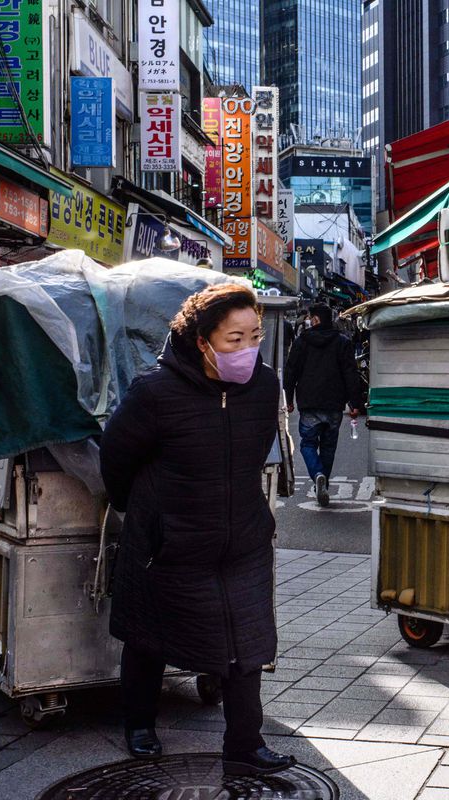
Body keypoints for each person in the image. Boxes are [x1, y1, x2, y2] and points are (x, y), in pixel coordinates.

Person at [100, 283, 296, 775]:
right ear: (201, 340)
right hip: (170, 542)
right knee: (148, 635)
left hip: (242, 538)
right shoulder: (155, 392)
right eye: (235, 339)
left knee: (246, 642)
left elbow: (253, 454)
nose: (248, 349)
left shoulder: (266, 384)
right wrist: (149, 514)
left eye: (255, 335)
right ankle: (140, 724)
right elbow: (116, 458)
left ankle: (245, 744)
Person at [284, 303, 363, 507]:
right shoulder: (342, 342)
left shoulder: (302, 341)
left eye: (311, 317)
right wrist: (355, 402)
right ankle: (324, 483)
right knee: (328, 447)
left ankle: (317, 474)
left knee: (308, 444)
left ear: (316, 319)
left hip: (309, 403)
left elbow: (291, 370)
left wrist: (289, 397)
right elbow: (350, 374)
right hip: (334, 404)